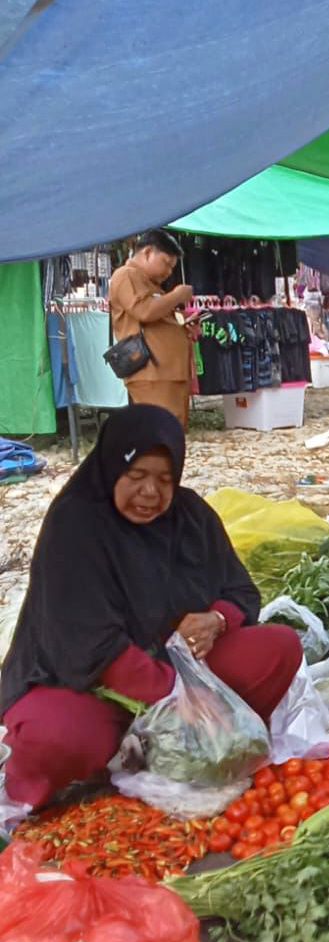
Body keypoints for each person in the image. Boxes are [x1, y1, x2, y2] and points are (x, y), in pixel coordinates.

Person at [0, 406, 302, 810]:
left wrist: (217, 620)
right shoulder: (75, 524)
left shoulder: (190, 515)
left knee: (278, 647)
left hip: (178, 668)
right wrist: (179, 697)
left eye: (164, 479)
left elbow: (241, 591)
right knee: (55, 737)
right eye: (136, 475)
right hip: (85, 685)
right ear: (111, 468)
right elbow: (91, 645)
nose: (150, 492)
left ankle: (168, 754)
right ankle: (118, 758)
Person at [108, 230, 195, 429]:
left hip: (168, 371)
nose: (169, 272)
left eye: (172, 267)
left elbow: (157, 317)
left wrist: (183, 323)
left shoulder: (150, 283)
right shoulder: (126, 275)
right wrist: (177, 295)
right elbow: (144, 311)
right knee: (160, 431)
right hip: (151, 371)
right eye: (166, 263)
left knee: (172, 431)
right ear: (147, 252)